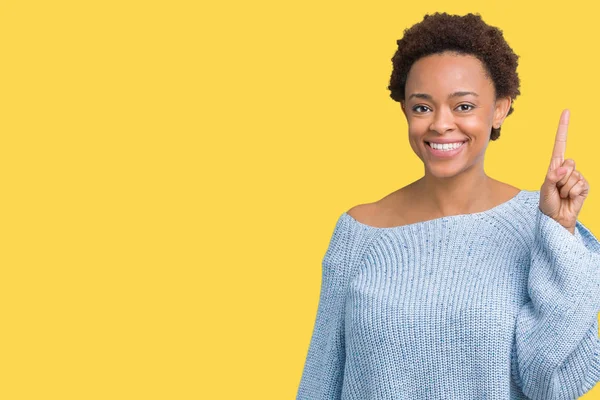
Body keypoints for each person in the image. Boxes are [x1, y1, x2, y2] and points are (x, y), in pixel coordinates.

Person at [296, 12, 600, 400]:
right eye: (423, 107)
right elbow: (320, 381)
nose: (440, 124)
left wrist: (559, 233)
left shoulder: (538, 223)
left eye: (463, 106)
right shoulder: (358, 232)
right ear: (405, 110)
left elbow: (551, 381)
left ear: (500, 109)